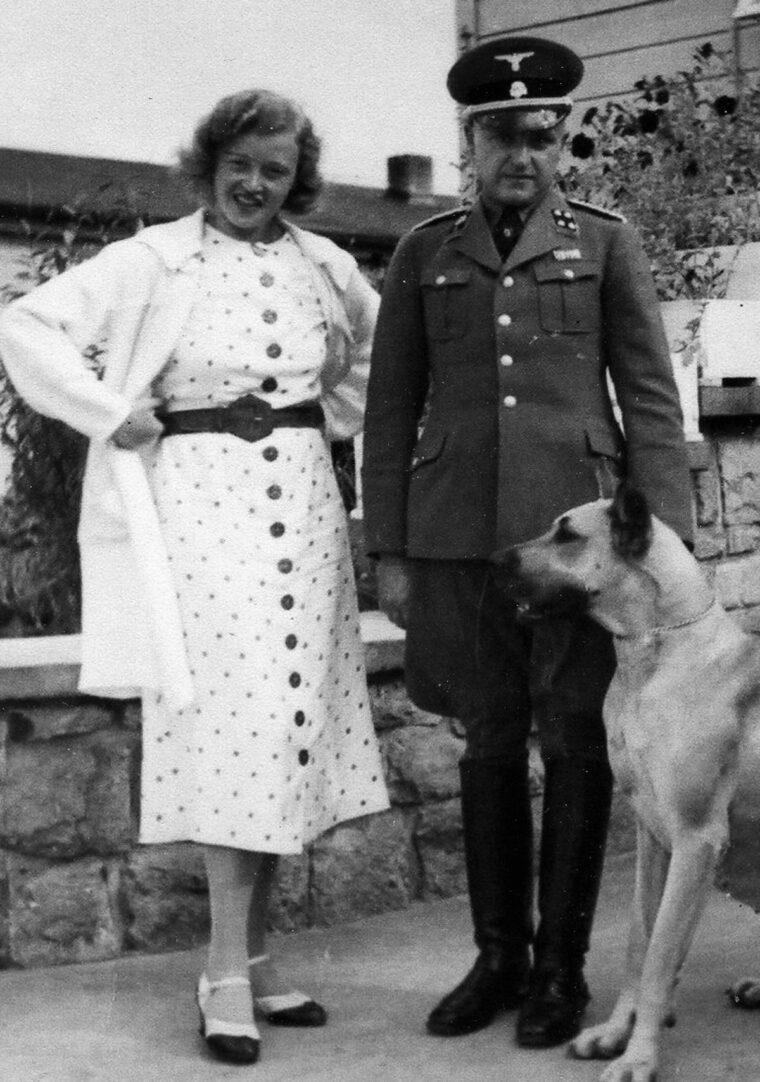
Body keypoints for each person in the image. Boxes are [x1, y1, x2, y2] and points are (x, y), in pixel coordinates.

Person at [0, 89, 389, 1065]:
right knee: (234, 724)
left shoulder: (325, 264)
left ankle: (256, 959)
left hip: (301, 506)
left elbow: (383, 362)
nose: (257, 183)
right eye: (241, 164)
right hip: (198, 508)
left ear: (297, 177)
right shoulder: (156, 256)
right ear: (209, 164)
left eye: (277, 168)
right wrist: (102, 407)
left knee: (289, 725)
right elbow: (26, 325)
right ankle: (221, 968)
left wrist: (341, 388)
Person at [362, 36, 693, 1050]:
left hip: (578, 551)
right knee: (488, 739)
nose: (524, 153)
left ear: (563, 144)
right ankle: (496, 955)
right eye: (503, 135)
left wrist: (659, 538)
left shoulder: (605, 242)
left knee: (576, 737)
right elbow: (390, 407)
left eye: (542, 135)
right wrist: (392, 549)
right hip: (460, 538)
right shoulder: (424, 252)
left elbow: (646, 392)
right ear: (472, 141)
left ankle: (561, 966)